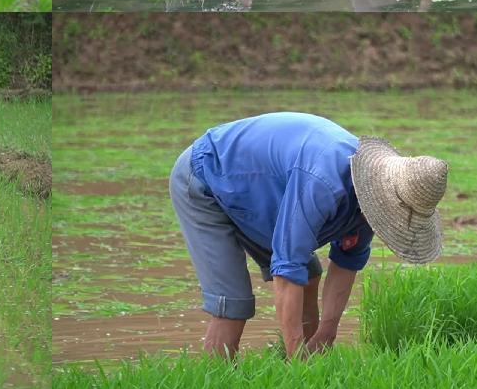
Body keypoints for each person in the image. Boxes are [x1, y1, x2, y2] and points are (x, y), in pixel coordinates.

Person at [169, 112, 447, 358]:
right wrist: (296, 361)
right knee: (233, 304)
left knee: (309, 273)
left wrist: (327, 333)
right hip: (208, 175)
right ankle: (222, 383)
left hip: (261, 192)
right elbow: (286, 272)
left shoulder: (371, 202)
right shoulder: (323, 183)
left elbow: (346, 263)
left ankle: (312, 358)